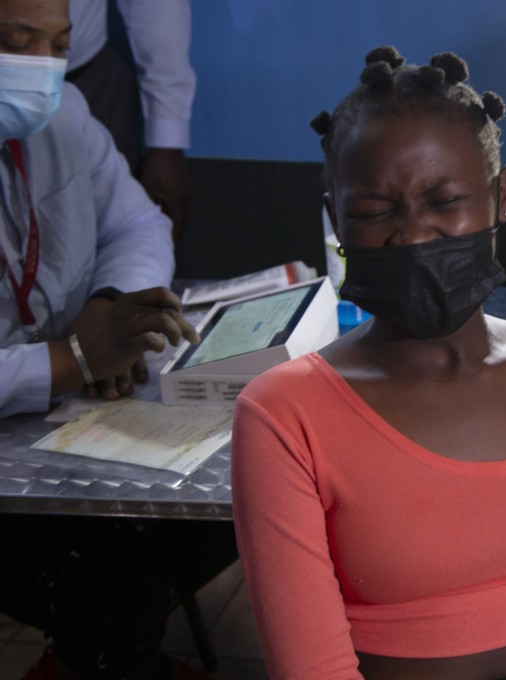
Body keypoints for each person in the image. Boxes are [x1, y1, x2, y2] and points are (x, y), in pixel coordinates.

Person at [231, 46, 506, 679]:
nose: (414, 235)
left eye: (445, 200)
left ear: (501, 195)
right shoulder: (283, 413)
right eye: (375, 212)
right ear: (334, 218)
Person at [0, 1, 236, 678]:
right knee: (110, 574)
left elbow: (138, 224)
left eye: (58, 45)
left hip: (54, 422)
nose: (41, 70)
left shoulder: (64, 114)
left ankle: (110, 653)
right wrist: (67, 361)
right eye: (18, 42)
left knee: (223, 511)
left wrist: (109, 314)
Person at [66, 0, 194, 241]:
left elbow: (132, 236)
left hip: (87, 77)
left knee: (113, 238)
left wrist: (167, 137)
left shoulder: (94, 133)